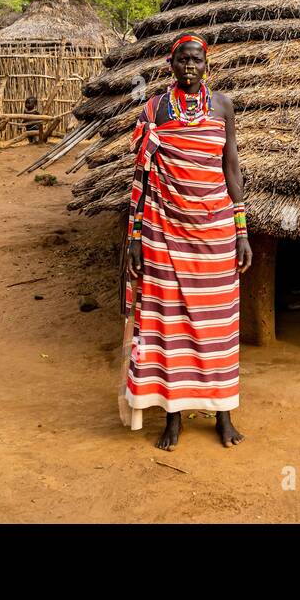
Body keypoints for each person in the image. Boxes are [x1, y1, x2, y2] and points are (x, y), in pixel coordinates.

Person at [123, 33, 252, 451]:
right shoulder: (155, 109)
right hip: (163, 231)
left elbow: (231, 167)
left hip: (214, 231)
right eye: (182, 59)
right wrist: (136, 238)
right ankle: (173, 418)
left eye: (196, 59)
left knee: (219, 327)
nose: (189, 66)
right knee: (168, 325)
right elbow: (141, 176)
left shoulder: (223, 107)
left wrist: (241, 229)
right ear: (171, 63)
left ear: (206, 63)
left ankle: (223, 415)